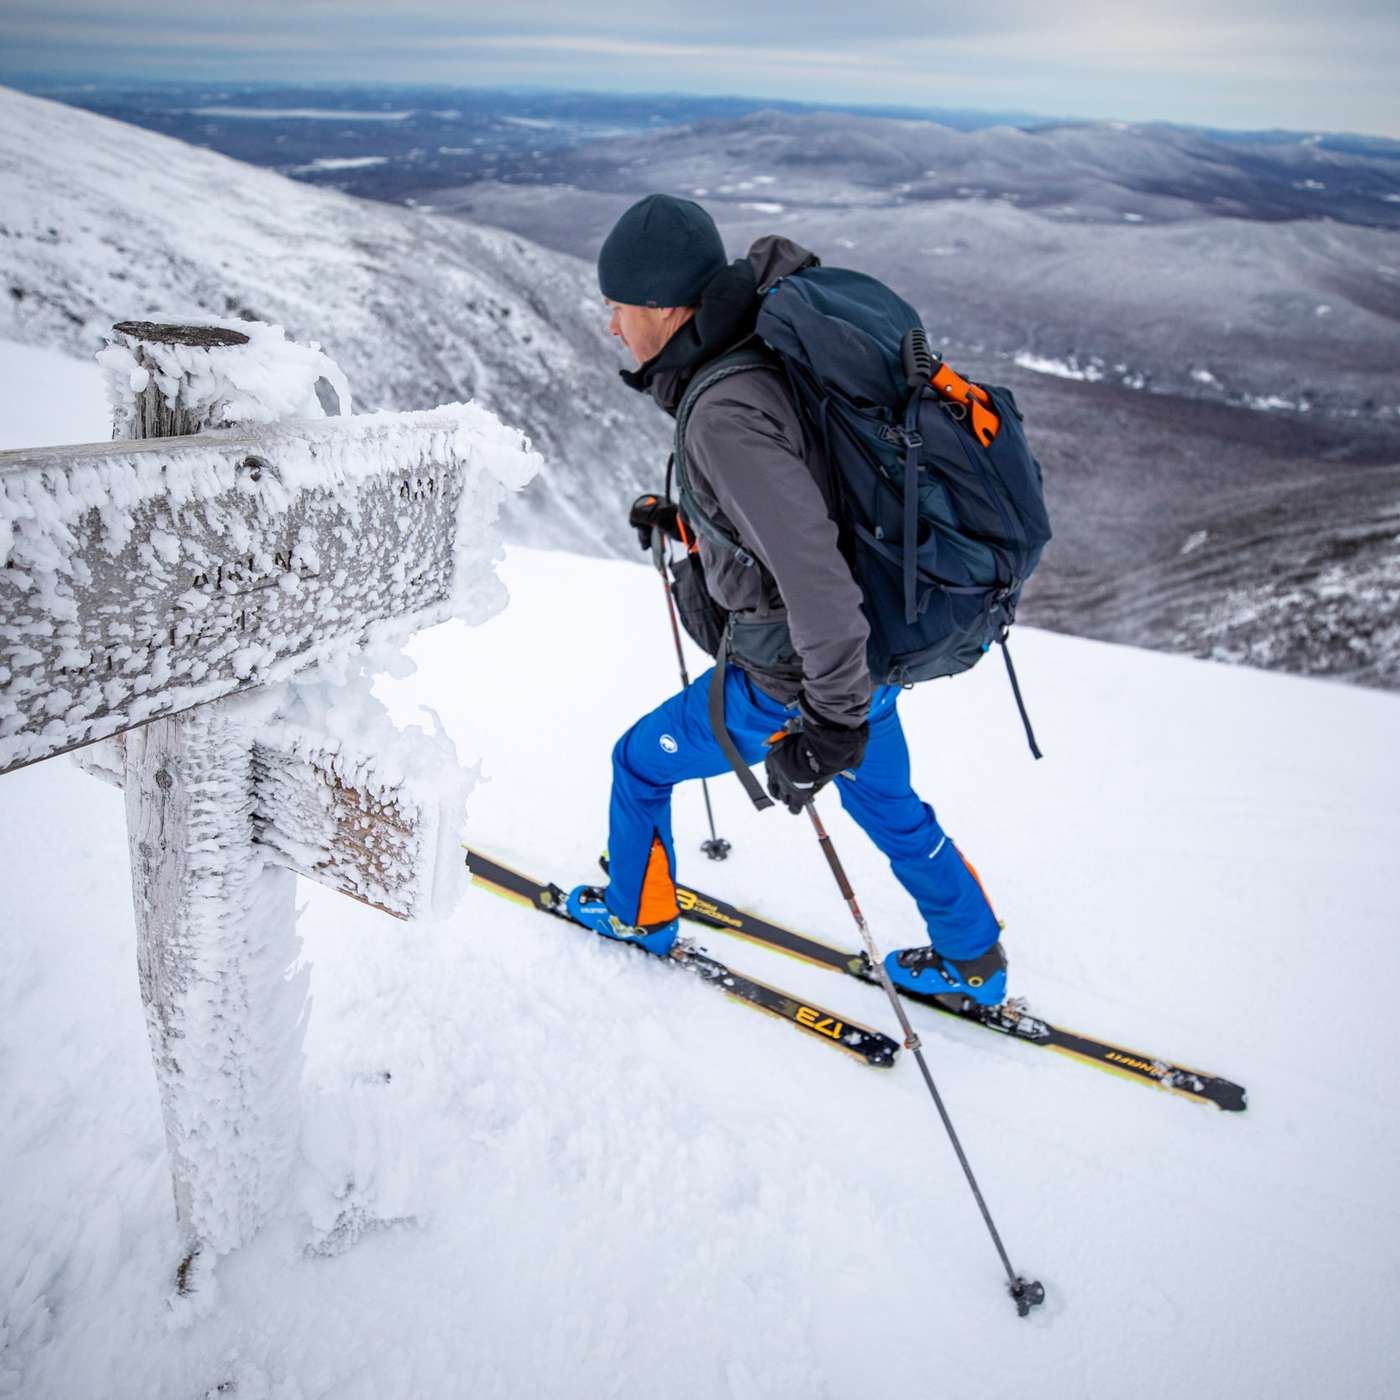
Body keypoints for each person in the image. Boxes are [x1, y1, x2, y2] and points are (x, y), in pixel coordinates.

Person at [565, 193, 1007, 1005]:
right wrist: (689, 523)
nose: (613, 327)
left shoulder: (723, 412)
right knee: (893, 808)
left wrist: (829, 723)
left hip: (797, 682)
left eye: (617, 306)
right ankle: (974, 960)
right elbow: (800, 510)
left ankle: (637, 915)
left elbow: (811, 575)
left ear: (661, 306)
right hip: (869, 664)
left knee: (638, 764)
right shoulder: (763, 352)